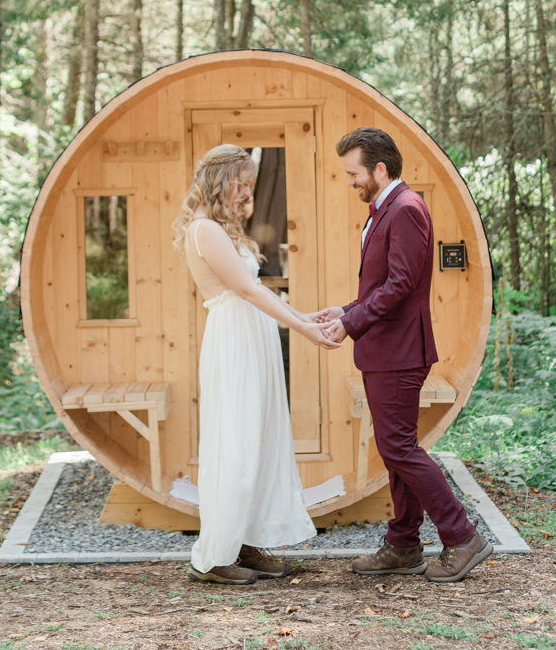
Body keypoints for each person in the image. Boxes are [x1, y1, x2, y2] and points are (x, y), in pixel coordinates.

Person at [315, 127, 493, 583]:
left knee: (399, 448)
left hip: (399, 352)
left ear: (379, 168)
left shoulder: (408, 208)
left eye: (354, 173)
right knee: (396, 450)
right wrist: (347, 308)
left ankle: (462, 536)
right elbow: (383, 287)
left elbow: (402, 285)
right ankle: (403, 545)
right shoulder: (385, 210)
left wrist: (351, 323)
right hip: (384, 351)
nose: (350, 181)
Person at [174, 144, 339, 585]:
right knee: (237, 440)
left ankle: (244, 543)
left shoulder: (225, 229)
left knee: (261, 439)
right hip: (234, 338)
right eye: (241, 182)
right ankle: (214, 556)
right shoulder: (205, 228)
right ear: (219, 179)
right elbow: (246, 292)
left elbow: (258, 291)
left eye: (250, 182)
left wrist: (304, 316)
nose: (247, 190)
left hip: (254, 335)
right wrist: (302, 330)